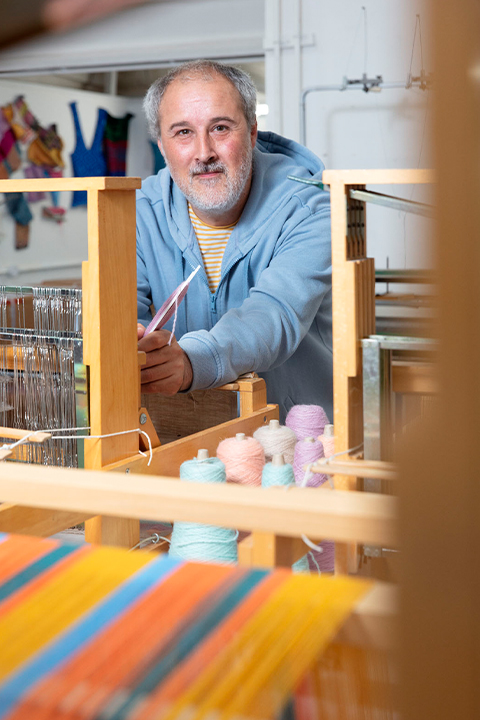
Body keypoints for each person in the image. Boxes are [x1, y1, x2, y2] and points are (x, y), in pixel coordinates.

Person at [136, 59, 332, 422]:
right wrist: (125, 342)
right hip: (184, 437)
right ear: (162, 146)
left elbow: (274, 315)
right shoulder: (138, 211)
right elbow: (117, 308)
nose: (204, 152)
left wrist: (191, 361)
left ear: (253, 132)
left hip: (298, 440)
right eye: (183, 133)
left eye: (221, 128)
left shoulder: (310, 207)